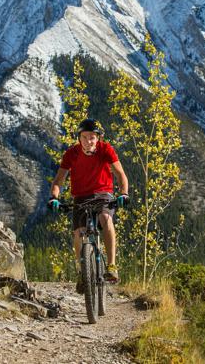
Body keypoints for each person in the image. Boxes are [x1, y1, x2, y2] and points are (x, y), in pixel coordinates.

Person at [48, 118, 129, 291]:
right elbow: (58, 180)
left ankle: (112, 266)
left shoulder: (106, 149)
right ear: (79, 138)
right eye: (84, 137)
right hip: (80, 197)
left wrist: (123, 193)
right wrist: (54, 197)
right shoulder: (71, 153)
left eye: (92, 137)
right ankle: (82, 272)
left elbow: (120, 173)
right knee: (78, 233)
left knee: (106, 218)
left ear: (98, 138)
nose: (88, 141)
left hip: (103, 194)